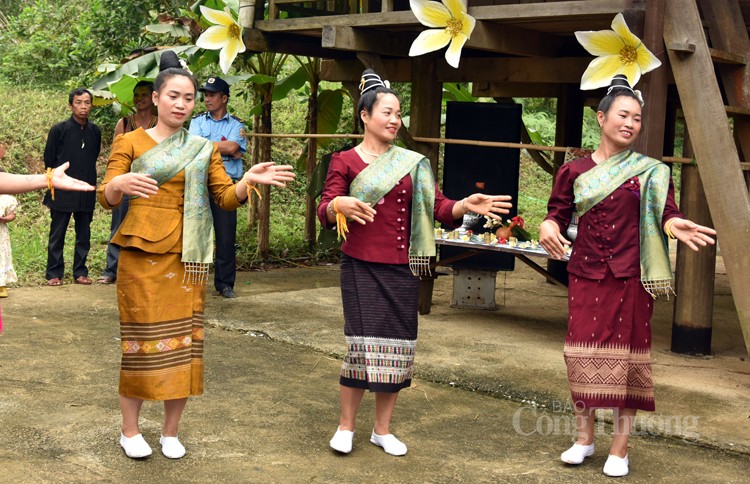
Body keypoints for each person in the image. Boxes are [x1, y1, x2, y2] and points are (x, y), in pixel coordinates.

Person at [98, 51, 294, 460]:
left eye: (188, 97)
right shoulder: (129, 141)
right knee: (139, 343)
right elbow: (106, 195)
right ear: (155, 98)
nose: (182, 103)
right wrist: (120, 185)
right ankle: (130, 430)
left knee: (184, 346)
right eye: (173, 95)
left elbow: (223, 197)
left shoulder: (203, 148)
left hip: (189, 258)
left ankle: (170, 432)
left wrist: (249, 182)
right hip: (140, 253)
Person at [318, 69, 513, 456]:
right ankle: (345, 426)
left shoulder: (413, 163)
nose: (394, 119)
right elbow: (325, 205)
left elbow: (439, 208)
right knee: (361, 346)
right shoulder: (345, 160)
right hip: (360, 265)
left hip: (403, 267)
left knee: (398, 348)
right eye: (387, 112)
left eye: (399, 112)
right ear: (365, 115)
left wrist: (464, 205)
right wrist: (339, 205)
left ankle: (382, 430)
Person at [539, 75, 716, 477]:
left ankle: (620, 448)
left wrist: (676, 226)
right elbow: (557, 213)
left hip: (631, 276)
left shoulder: (650, 171)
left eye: (637, 118)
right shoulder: (574, 170)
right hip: (586, 273)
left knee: (629, 361)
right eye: (623, 115)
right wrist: (548, 225)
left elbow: (666, 213)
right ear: (601, 118)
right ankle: (584, 440)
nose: (630, 123)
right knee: (579, 355)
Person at [188, 76, 247, 299]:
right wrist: (223, 148)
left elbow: (234, 145)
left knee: (225, 236)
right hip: (199, 185)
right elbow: (191, 146)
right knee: (195, 234)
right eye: (205, 95)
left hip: (227, 186)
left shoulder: (236, 125)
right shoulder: (198, 121)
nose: (207, 99)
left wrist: (204, 145)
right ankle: (193, 281)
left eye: (212, 95)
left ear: (224, 98)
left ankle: (224, 284)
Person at [97, 81, 158, 285]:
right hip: (125, 183)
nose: (139, 98)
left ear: (153, 98)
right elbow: (116, 155)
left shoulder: (159, 123)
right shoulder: (124, 123)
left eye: (144, 95)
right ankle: (111, 270)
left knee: (147, 227)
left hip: (150, 184)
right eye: (136, 94)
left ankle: (141, 268)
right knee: (118, 226)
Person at [43, 88, 102, 287]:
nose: (83, 106)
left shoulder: (95, 131)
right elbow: (49, 160)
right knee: (57, 233)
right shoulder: (59, 130)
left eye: (87, 102)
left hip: (86, 188)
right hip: (62, 189)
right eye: (79, 102)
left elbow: (93, 155)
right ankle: (53, 272)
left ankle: (80, 272)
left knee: (84, 234)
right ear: (70, 105)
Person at [0, 192, 18, 298]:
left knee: (1, 257)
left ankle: (1, 285)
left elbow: (12, 214)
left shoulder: (6, 198)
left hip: (1, 234)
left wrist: (5, 219)